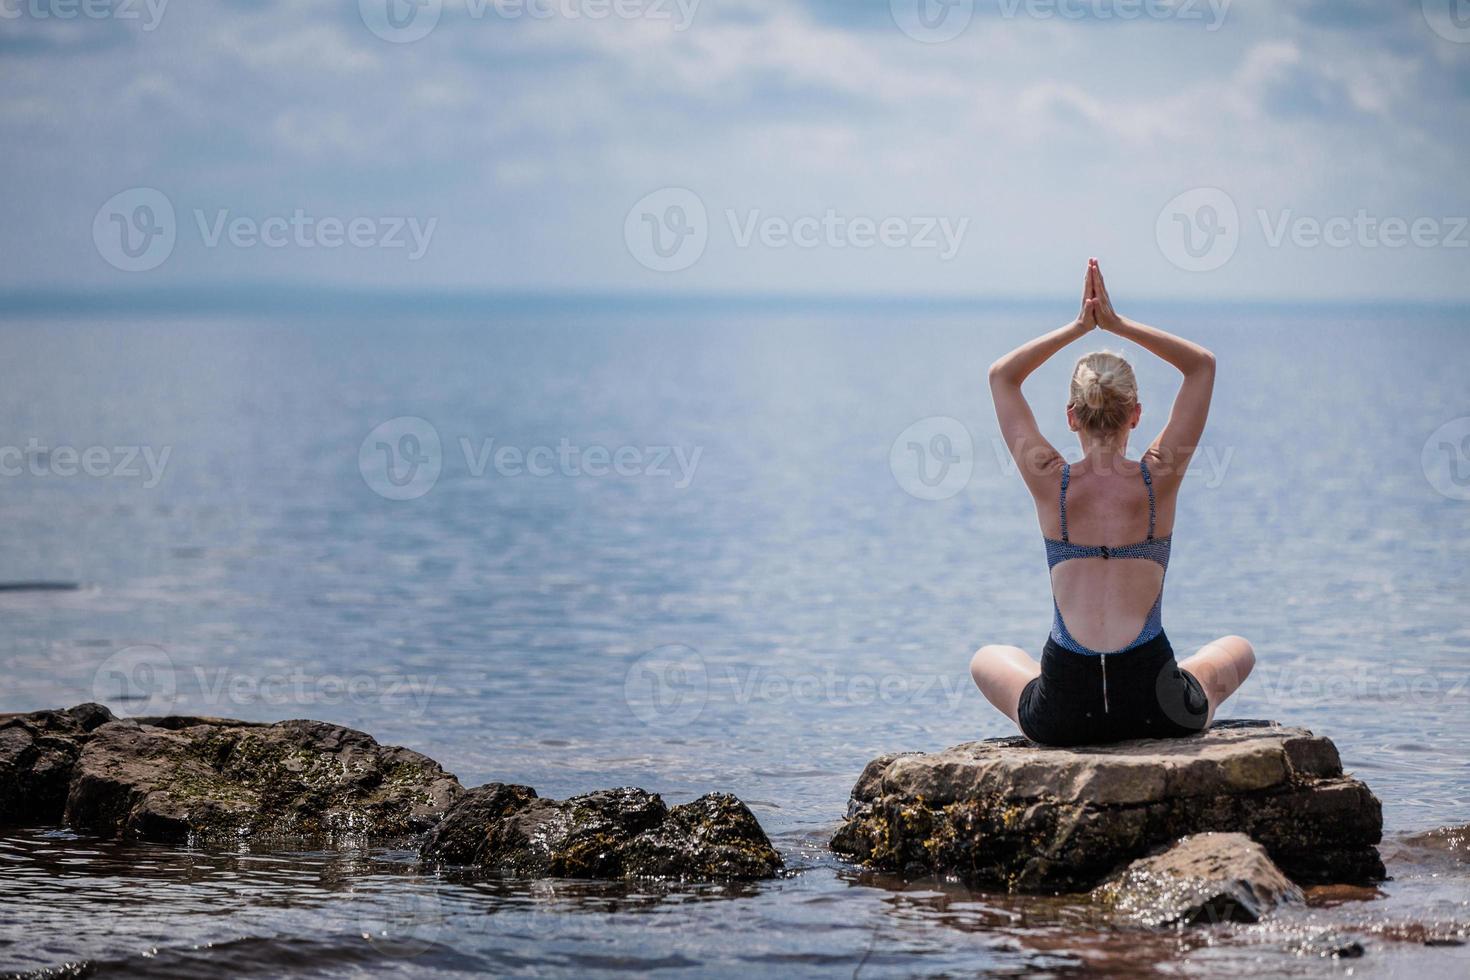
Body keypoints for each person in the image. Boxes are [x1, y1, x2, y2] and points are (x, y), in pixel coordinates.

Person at [970, 259, 1254, 746]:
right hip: (1158, 707)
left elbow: (1002, 377)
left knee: (986, 657)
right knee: (1239, 649)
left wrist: (1079, 326)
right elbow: (1201, 365)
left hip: (1063, 712)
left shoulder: (1049, 482)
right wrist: (1117, 324)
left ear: (1071, 417)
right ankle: (1177, 676)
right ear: (1137, 414)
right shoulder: (1157, 479)